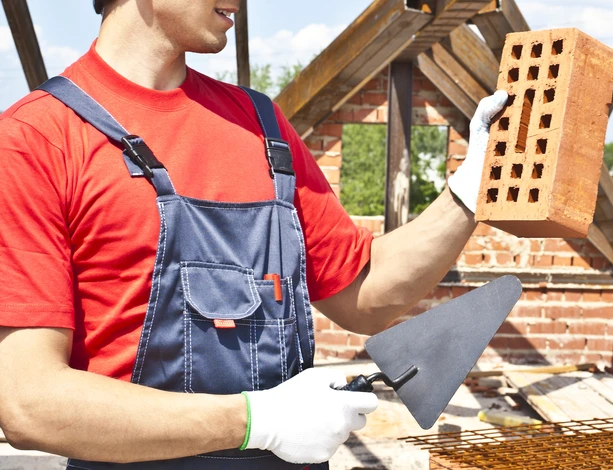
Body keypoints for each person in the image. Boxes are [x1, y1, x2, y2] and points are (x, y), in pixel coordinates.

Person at [0, 0, 507, 468]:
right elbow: (30, 402)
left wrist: (468, 189)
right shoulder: (37, 140)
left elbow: (363, 295)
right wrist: (258, 422)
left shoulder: (261, 126)